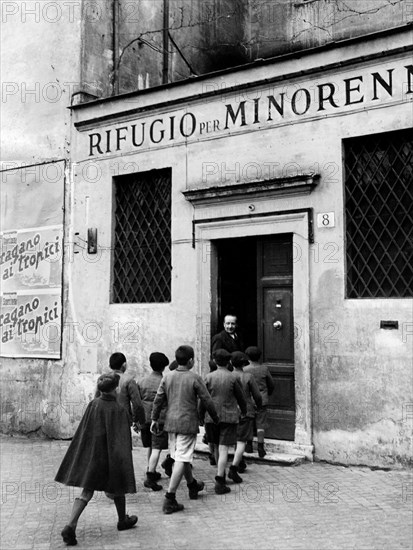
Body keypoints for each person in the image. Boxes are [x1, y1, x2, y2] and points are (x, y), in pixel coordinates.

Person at [55, 373, 137, 546]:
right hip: (112, 457)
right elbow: (123, 439)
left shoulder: (93, 405)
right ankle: (122, 520)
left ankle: (71, 525)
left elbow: (84, 433)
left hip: (94, 456)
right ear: (115, 389)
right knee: (118, 487)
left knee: (86, 491)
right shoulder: (119, 410)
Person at [151, 345, 219, 514]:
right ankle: (170, 497)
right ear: (190, 361)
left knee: (181, 455)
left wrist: (154, 418)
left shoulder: (167, 377)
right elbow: (207, 400)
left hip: (170, 423)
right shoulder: (195, 378)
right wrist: (215, 418)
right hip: (187, 423)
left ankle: (192, 485)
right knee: (182, 458)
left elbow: (158, 399)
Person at [201, 349, 247, 495]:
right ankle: (220, 479)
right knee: (224, 449)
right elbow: (241, 398)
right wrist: (244, 411)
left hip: (211, 417)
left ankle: (219, 474)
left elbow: (203, 399)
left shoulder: (208, 377)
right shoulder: (233, 378)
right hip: (228, 416)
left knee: (214, 446)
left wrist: (200, 415)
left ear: (214, 361)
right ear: (228, 362)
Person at [137, 352, 170, 491]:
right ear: (163, 367)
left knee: (150, 446)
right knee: (156, 448)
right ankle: (150, 476)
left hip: (145, 418)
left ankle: (151, 468)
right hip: (159, 419)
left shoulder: (142, 381)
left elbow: (137, 402)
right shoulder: (165, 381)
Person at [228, 351, 262, 482]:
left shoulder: (229, 376)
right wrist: (258, 406)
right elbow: (257, 396)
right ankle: (234, 468)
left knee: (235, 438)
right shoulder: (248, 377)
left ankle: (239, 461)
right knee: (242, 441)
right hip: (246, 411)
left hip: (231, 411)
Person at [96, 352, 146, 431]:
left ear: (110, 366)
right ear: (124, 365)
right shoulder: (129, 380)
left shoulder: (102, 378)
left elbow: (96, 399)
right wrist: (139, 421)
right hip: (123, 420)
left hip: (105, 418)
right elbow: (137, 404)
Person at [244, 346, 275, 457]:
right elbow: (271, 384)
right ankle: (261, 447)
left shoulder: (245, 370)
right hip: (262, 399)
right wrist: (267, 394)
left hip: (249, 400)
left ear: (247, 357)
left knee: (249, 422)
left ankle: (249, 445)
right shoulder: (264, 369)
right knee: (261, 423)